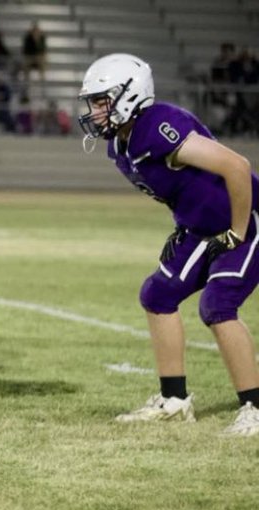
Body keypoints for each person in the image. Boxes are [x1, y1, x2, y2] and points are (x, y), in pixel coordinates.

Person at [77, 53, 259, 436]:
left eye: (100, 101)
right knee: (157, 294)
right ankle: (174, 401)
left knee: (218, 303)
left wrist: (238, 232)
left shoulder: (158, 127)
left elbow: (237, 167)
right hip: (203, 227)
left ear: (128, 96)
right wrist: (184, 223)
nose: (94, 112)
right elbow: (182, 187)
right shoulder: (121, 146)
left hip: (246, 218)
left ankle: (255, 406)